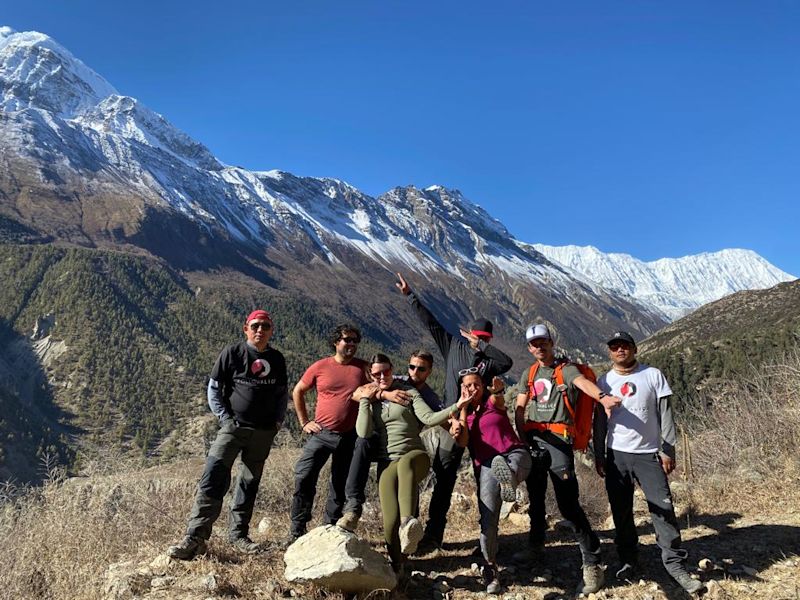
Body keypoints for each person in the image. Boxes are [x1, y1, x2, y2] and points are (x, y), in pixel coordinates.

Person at [395, 272, 513, 552]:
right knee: (444, 475)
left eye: (483, 338)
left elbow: (506, 362)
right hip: (452, 421)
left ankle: (488, 539)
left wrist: (482, 346)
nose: (477, 341)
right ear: (467, 333)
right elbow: (430, 322)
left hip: (481, 423)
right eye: (476, 336)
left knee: (485, 475)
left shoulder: (489, 359)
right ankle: (434, 535)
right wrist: (410, 295)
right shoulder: (452, 346)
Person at [167, 309, 288, 560]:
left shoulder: (277, 359)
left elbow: (281, 393)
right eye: (255, 325)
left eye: (265, 326)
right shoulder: (232, 354)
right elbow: (214, 389)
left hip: (263, 433)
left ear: (271, 331)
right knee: (213, 476)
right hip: (233, 428)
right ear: (246, 328)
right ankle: (196, 537)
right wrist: (225, 418)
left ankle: (238, 536)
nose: (260, 330)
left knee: (248, 483)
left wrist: (277, 422)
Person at [513, 323, 621, 594]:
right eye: (534, 344)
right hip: (535, 441)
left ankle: (593, 560)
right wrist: (522, 435)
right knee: (535, 498)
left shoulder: (566, 369)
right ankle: (536, 546)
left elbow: (582, 384)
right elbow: (521, 404)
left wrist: (603, 397)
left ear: (552, 342)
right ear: (530, 347)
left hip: (558, 442)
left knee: (568, 504)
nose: (539, 347)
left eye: (543, 342)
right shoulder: (530, 372)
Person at [594, 331, 705, 595]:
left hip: (648, 454)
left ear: (634, 349)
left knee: (663, 508)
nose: (620, 350)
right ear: (610, 352)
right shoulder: (604, 380)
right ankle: (628, 559)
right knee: (621, 511)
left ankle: (675, 564)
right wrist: (599, 453)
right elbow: (599, 421)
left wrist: (668, 451)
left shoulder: (652, 375)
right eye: (615, 347)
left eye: (625, 346)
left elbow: (666, 415)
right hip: (616, 455)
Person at [286, 324, 409, 544]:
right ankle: (297, 530)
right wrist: (304, 422)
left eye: (355, 340)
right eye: (347, 340)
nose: (351, 344)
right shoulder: (320, 366)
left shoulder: (363, 368)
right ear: (336, 342)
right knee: (304, 476)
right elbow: (298, 391)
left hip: (350, 436)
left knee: (339, 485)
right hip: (322, 433)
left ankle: (330, 530)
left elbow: (378, 384)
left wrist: (387, 394)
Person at [353, 354, 470, 576]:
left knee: (405, 464)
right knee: (389, 523)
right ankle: (399, 567)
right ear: (370, 374)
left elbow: (429, 418)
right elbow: (363, 431)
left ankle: (409, 523)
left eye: (385, 371)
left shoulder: (408, 391)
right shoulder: (370, 395)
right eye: (376, 373)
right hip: (388, 462)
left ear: (392, 369)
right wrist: (367, 400)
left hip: (415, 455)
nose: (381, 376)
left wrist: (458, 405)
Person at [453, 369, 532, 594]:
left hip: (514, 453)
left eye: (476, 384)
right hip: (487, 464)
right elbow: (463, 442)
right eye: (467, 385)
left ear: (483, 386)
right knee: (488, 518)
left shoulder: (491, 402)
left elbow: (498, 398)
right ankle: (490, 567)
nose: (472, 389)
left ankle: (509, 481)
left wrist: (497, 389)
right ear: (461, 389)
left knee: (513, 465)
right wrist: (462, 411)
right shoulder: (461, 414)